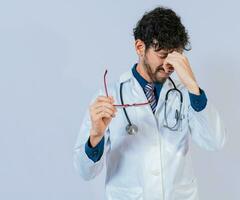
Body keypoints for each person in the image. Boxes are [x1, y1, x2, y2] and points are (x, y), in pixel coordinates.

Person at [73, 6, 226, 200]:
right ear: (139, 47)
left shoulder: (187, 93)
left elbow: (215, 141)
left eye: (175, 56)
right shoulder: (109, 96)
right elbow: (85, 172)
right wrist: (95, 136)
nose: (169, 65)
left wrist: (192, 85)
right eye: (162, 55)